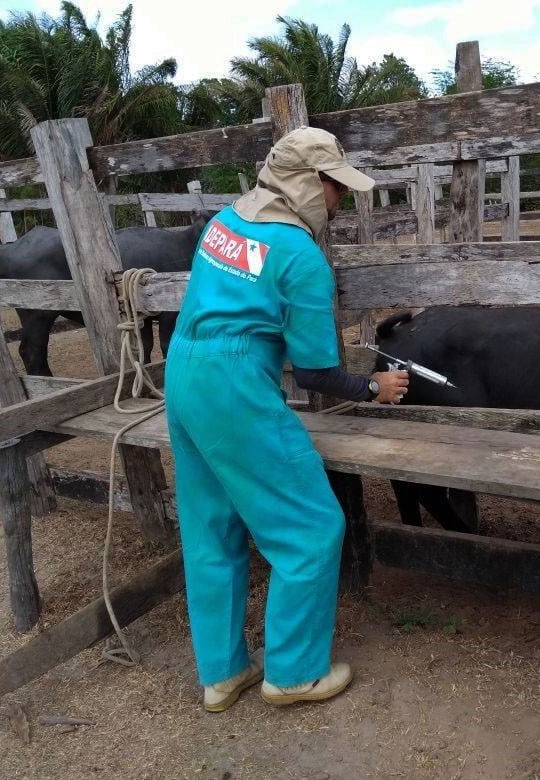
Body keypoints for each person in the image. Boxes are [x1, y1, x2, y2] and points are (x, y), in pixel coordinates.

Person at [164, 126, 408, 713]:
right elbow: (318, 373)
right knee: (311, 527)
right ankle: (294, 673)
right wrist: (375, 386)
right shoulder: (301, 255)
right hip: (235, 387)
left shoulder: (225, 223)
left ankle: (222, 675)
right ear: (306, 182)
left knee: (211, 528)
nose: (340, 200)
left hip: (183, 372)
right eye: (335, 187)